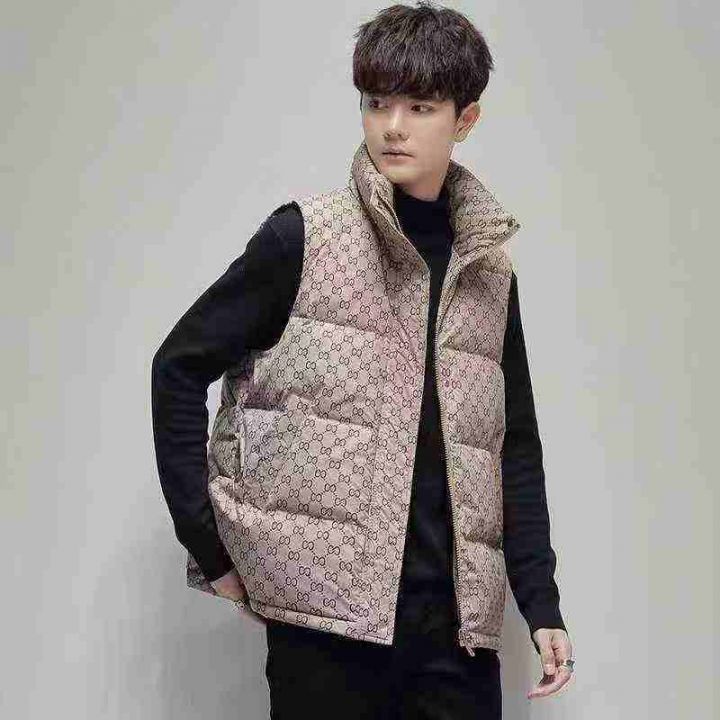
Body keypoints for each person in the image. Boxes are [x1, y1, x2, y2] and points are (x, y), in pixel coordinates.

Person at [151, 2, 574, 716]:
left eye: (420, 106)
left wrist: (541, 603)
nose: (392, 126)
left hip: (455, 637)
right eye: (377, 103)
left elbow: (514, 446)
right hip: (326, 635)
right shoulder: (303, 238)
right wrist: (210, 545)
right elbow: (177, 368)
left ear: (465, 119)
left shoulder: (489, 274)